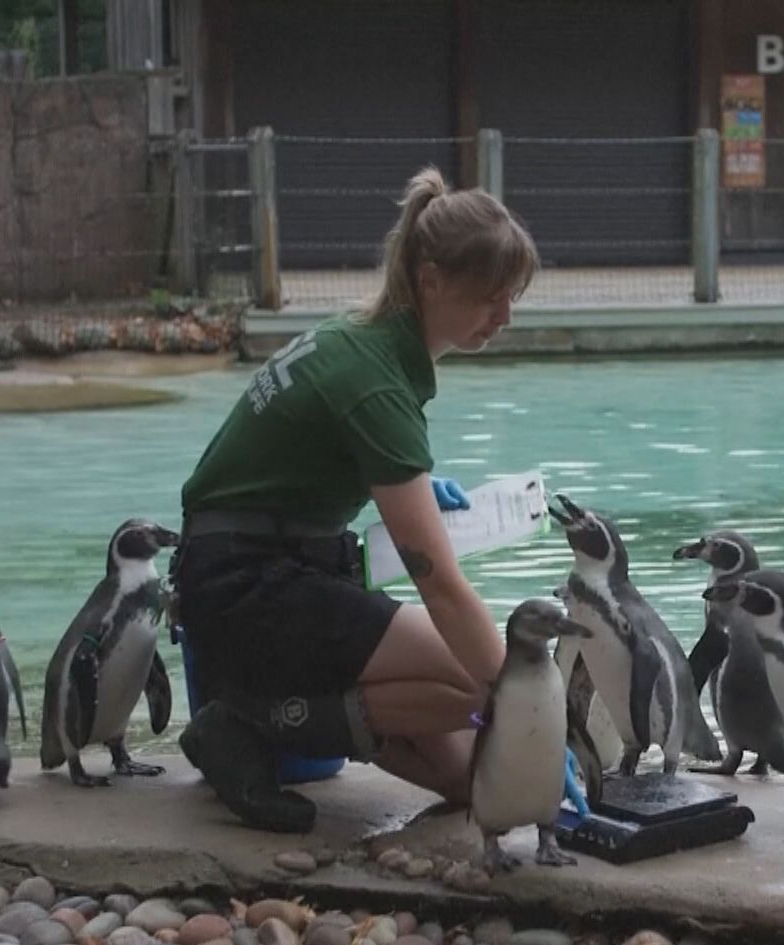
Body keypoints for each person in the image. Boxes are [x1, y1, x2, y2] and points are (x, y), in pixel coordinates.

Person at [170, 166, 538, 833]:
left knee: (467, 782)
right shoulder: (374, 384)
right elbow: (442, 588)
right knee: (475, 678)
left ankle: (299, 715)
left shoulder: (362, 343)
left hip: (267, 566)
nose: (505, 315)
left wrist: (418, 487)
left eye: (512, 296)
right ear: (432, 280)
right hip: (244, 587)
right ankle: (248, 721)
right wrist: (524, 705)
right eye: (492, 296)